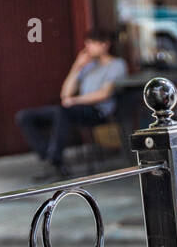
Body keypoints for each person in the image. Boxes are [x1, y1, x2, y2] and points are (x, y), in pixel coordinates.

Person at [15, 30, 127, 178]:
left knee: (64, 111)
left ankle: (55, 160)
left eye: (92, 43)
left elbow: (104, 94)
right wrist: (76, 66)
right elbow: (65, 94)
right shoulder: (88, 66)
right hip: (73, 109)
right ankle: (51, 158)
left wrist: (74, 101)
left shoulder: (116, 65)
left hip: (97, 111)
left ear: (105, 45)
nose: (88, 47)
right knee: (25, 116)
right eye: (87, 43)